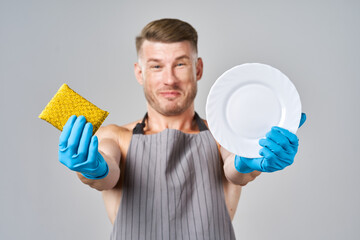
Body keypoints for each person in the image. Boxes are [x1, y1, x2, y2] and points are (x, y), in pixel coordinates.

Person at [58, 18, 306, 240]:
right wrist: (92, 168)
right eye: (156, 66)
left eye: (180, 64)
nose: (169, 79)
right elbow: (106, 173)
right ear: (139, 73)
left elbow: (234, 169)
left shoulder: (224, 135)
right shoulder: (115, 137)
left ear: (197, 69)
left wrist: (248, 160)